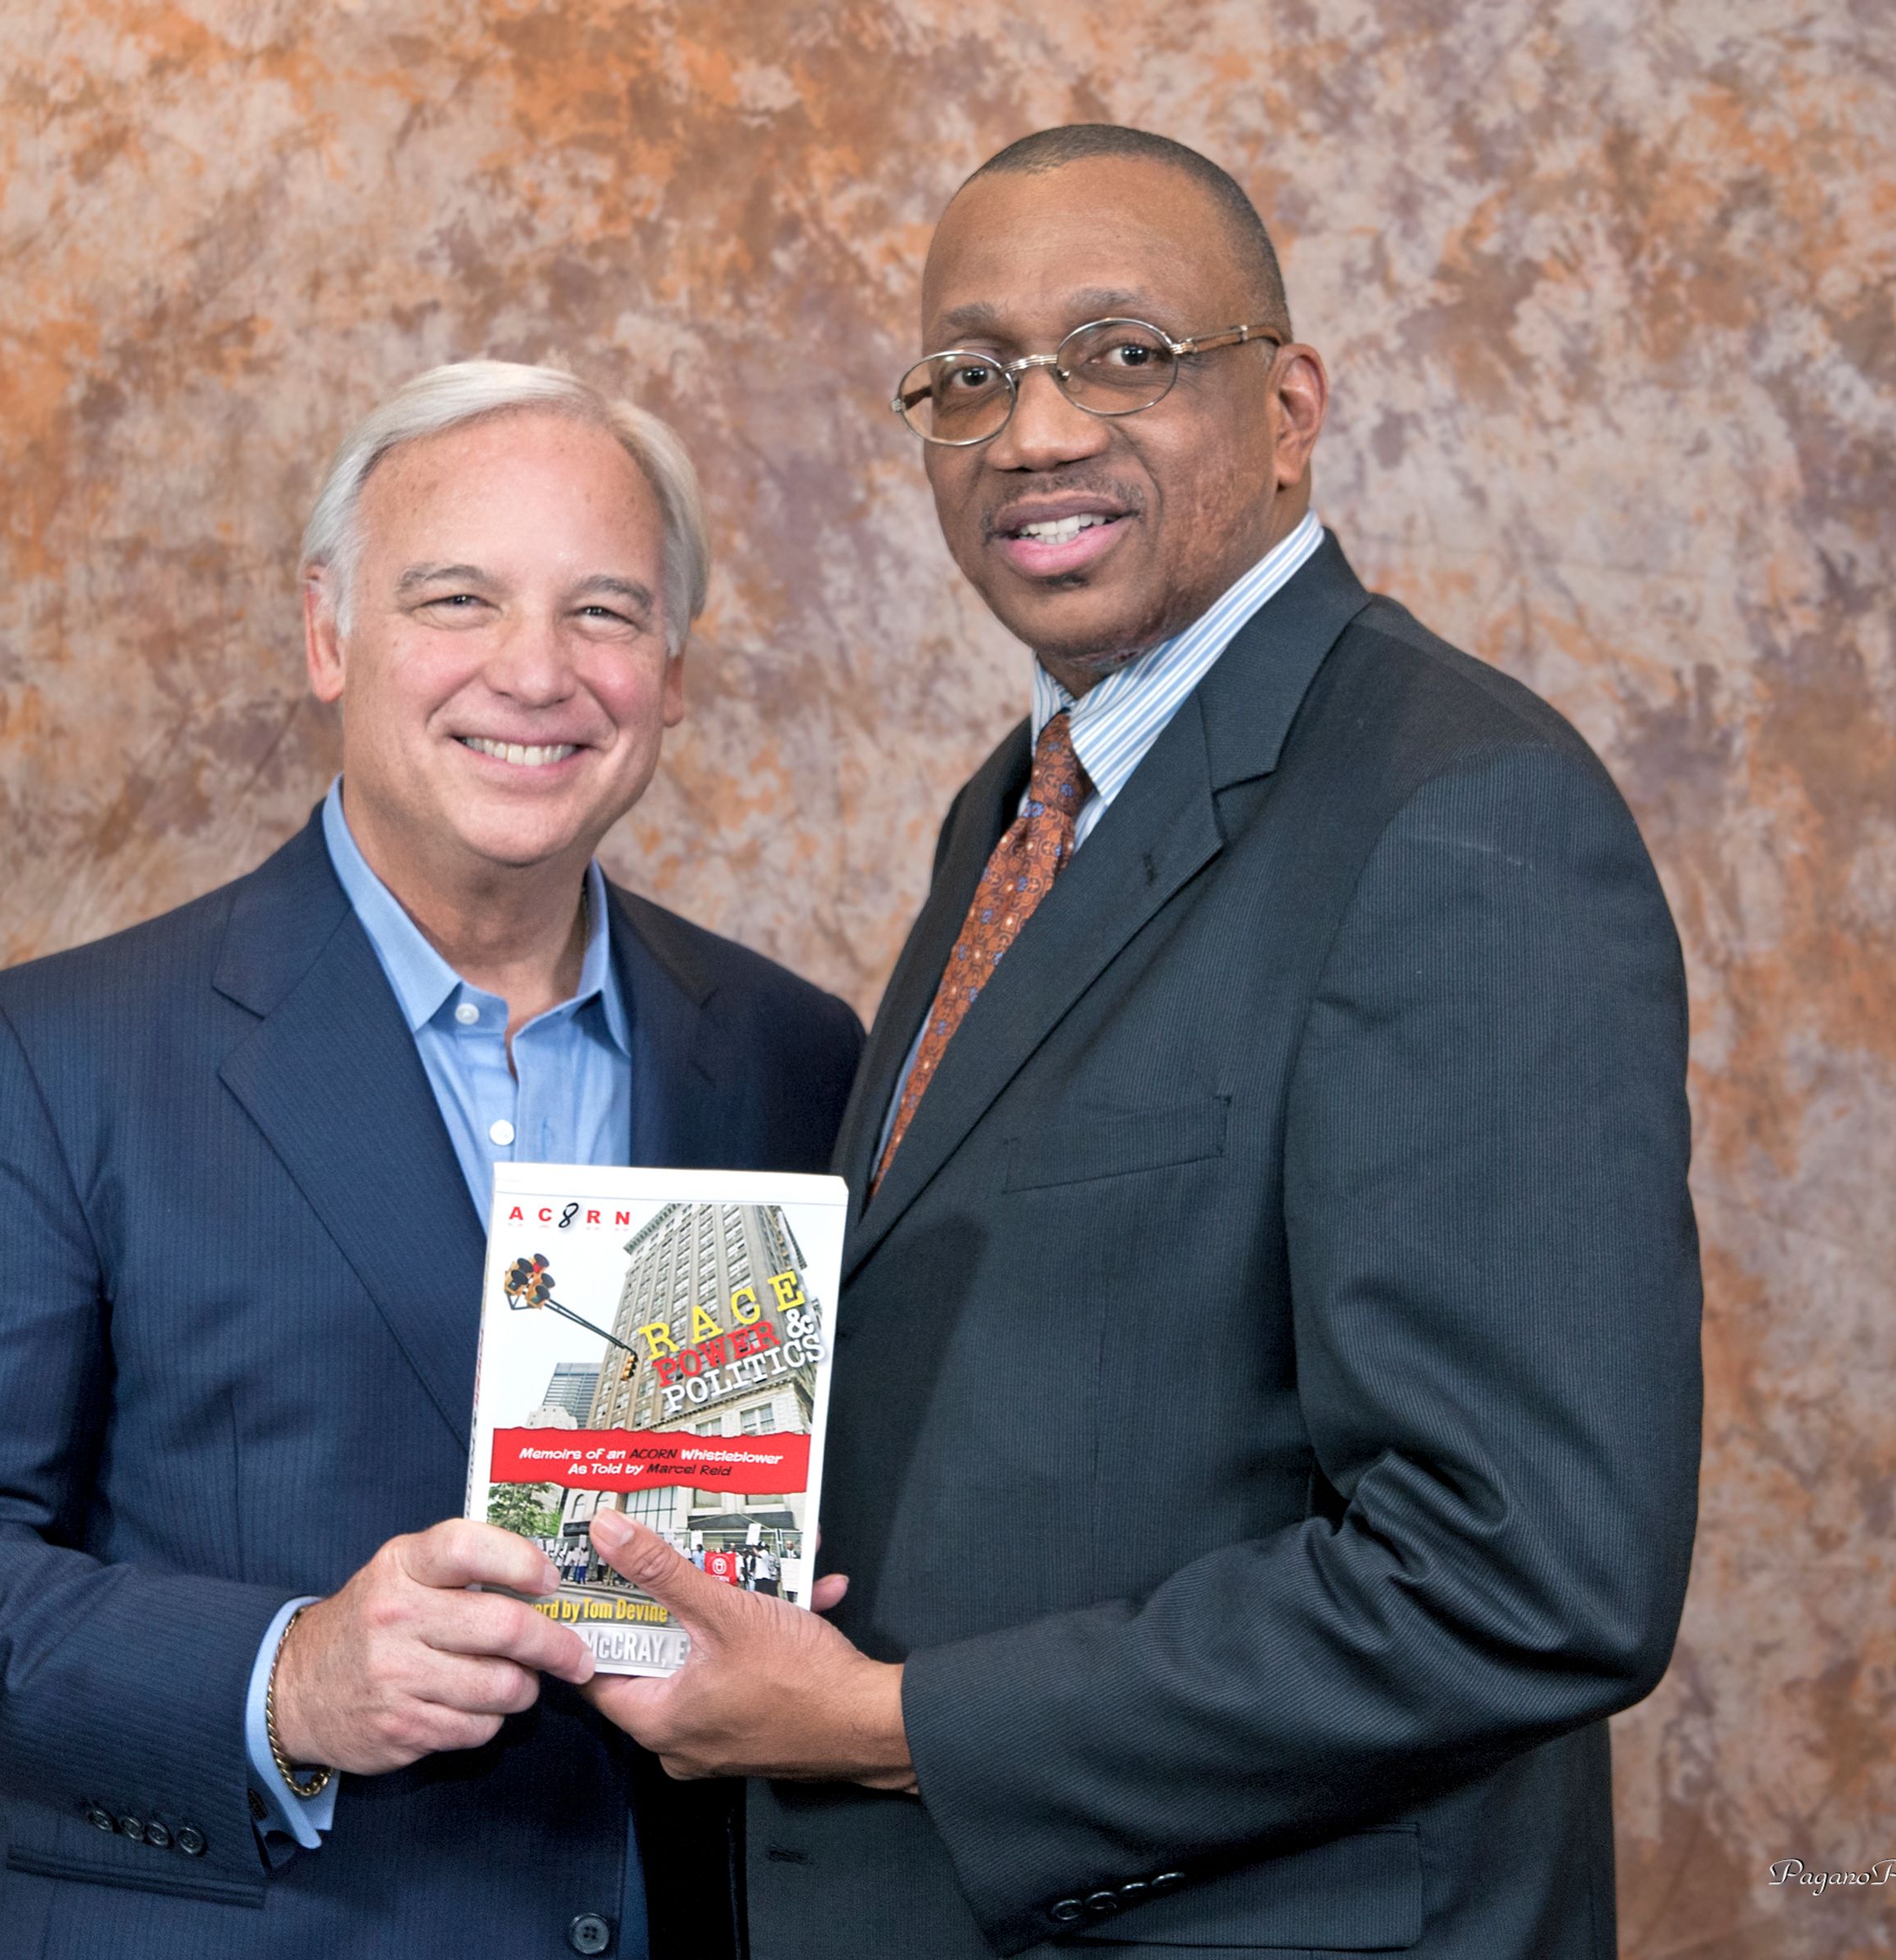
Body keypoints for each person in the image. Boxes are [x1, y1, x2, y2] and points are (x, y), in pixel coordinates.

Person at [584, 126, 1702, 1959]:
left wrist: (885, 1726)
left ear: (1290, 406)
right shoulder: (1023, 809)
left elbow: (1530, 1574)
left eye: (1126, 355)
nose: (1032, 433)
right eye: (970, 375)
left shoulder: (1463, 816)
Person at [0, 361, 863, 1959]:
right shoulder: (57, 1058)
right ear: (327, 633)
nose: (536, 673)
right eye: (457, 598)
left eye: (605, 614)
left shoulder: (793, 1053)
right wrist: (287, 1678)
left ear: (674, 673)